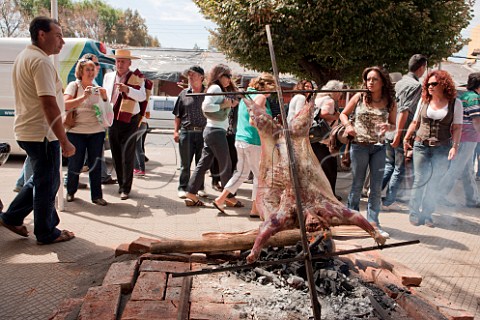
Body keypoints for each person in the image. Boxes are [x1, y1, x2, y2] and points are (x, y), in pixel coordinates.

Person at [0, 16, 76, 244]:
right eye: (58, 35)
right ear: (42, 34)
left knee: (42, 180)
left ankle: (12, 216)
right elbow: (48, 103)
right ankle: (46, 232)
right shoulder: (40, 61)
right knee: (47, 184)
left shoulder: (25, 56)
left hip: (30, 131)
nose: (62, 42)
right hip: (42, 134)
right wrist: (64, 140)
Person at [339, 66, 397, 238]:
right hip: (359, 145)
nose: (370, 82)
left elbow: (394, 125)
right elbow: (343, 114)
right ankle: (353, 220)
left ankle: (373, 222)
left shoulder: (390, 101)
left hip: (379, 147)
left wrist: (389, 126)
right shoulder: (359, 97)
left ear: (382, 82)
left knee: (376, 187)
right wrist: (349, 126)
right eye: (368, 79)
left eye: (374, 79)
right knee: (357, 184)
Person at [403, 70, 463, 227]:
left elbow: (457, 128)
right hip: (421, 145)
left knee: (434, 181)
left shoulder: (456, 103)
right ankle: (414, 213)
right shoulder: (424, 101)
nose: (430, 86)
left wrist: (455, 147)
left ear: (444, 84)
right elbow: (415, 122)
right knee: (420, 178)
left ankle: (427, 214)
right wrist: (406, 137)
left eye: (434, 84)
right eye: (428, 84)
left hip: (442, 147)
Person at [213, 73, 276, 216]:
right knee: (260, 177)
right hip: (254, 141)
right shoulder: (259, 97)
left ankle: (220, 199)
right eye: (272, 89)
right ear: (267, 86)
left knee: (241, 173)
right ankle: (255, 209)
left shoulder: (247, 96)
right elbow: (253, 121)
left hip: (241, 139)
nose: (271, 94)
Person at [184, 64, 238, 206]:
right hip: (216, 132)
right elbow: (206, 106)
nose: (229, 79)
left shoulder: (217, 88)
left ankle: (191, 193)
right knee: (226, 164)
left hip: (212, 131)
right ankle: (228, 196)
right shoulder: (216, 88)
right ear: (220, 76)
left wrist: (229, 104)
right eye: (228, 76)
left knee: (203, 164)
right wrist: (223, 105)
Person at [382, 54, 427, 210]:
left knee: (389, 165)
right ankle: (388, 201)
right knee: (398, 168)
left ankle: (372, 193)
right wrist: (399, 136)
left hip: (391, 130)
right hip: (400, 133)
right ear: (422, 67)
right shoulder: (416, 86)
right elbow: (404, 111)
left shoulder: (399, 82)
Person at [64, 59, 111, 206]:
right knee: (75, 163)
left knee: (95, 164)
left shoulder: (97, 87)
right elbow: (65, 104)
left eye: (93, 69)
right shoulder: (74, 86)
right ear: (81, 72)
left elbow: (106, 111)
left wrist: (104, 98)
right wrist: (84, 96)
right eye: (88, 70)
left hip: (96, 131)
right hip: (76, 131)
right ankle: (71, 191)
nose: (91, 73)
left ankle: (97, 196)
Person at [103, 49, 147, 200]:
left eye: (123, 61)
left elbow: (142, 97)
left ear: (129, 63)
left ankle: (125, 188)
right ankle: (121, 183)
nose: (120, 64)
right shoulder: (108, 76)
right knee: (115, 153)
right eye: (117, 61)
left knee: (127, 154)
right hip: (113, 118)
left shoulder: (136, 77)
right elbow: (106, 98)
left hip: (130, 120)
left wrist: (127, 89)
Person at [438, 72, 480, 208]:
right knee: (456, 169)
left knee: (466, 169)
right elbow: (476, 121)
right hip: (468, 138)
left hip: (463, 137)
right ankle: (438, 195)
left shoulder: (464, 96)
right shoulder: (474, 98)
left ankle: (472, 198)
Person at [82, 53, 117, 185]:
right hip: (85, 126)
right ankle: (70, 181)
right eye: (96, 64)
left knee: (96, 153)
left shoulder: (95, 81)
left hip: (96, 125)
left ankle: (102, 176)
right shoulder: (82, 83)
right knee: (81, 157)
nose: (98, 67)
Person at [173, 66, 208, 199]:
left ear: (201, 77)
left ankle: (200, 187)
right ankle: (183, 187)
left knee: (201, 163)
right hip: (186, 133)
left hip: (204, 133)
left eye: (193, 75)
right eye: (189, 76)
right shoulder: (183, 94)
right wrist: (175, 131)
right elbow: (177, 115)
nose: (190, 78)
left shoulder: (208, 93)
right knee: (185, 164)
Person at [312, 80, 344, 199]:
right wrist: (336, 116)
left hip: (315, 138)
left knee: (320, 168)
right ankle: (330, 195)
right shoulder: (329, 100)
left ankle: (321, 193)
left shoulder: (318, 99)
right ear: (335, 91)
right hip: (325, 139)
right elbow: (323, 114)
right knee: (330, 168)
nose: (340, 95)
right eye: (339, 92)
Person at [134, 99, 150, 177]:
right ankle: (141, 169)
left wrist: (140, 114)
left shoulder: (143, 100)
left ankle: (136, 168)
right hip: (142, 125)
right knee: (138, 147)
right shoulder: (144, 100)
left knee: (131, 146)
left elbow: (147, 115)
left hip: (140, 125)